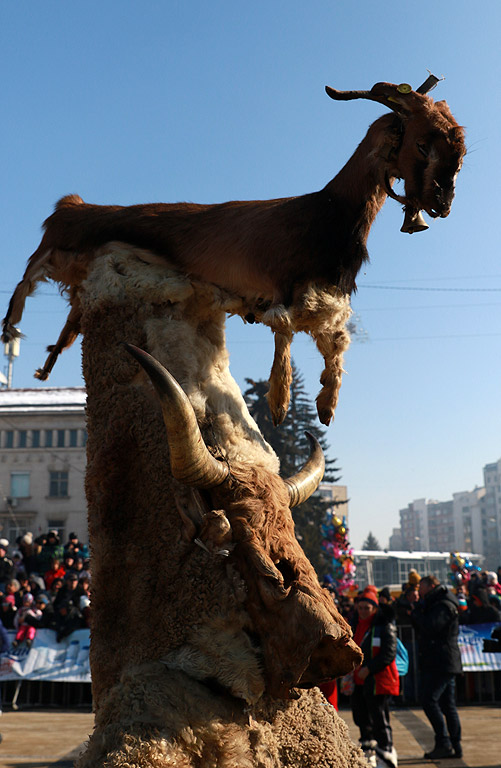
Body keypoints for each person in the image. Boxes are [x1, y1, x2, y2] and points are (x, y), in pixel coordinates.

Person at [411, 575, 462, 760]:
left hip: (443, 660)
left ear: (431, 586)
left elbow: (431, 626)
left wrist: (417, 612)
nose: (419, 591)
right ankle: (453, 746)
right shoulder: (437, 602)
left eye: (421, 586)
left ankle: (445, 743)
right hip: (441, 659)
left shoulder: (443, 604)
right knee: (447, 704)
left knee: (429, 700)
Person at [350, 585, 399, 768]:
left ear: (375, 608)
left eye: (367, 608)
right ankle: (369, 751)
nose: (363, 611)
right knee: (361, 717)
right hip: (359, 680)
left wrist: (369, 668)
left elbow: (389, 653)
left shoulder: (384, 625)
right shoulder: (354, 625)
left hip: (378, 679)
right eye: (360, 607)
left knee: (380, 718)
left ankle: (386, 753)